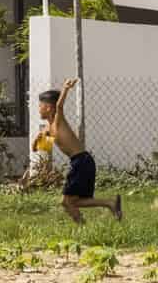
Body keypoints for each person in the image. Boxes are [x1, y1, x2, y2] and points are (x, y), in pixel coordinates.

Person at [23, 78, 121, 223]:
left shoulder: (58, 120)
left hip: (81, 161)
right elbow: (39, 150)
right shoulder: (48, 129)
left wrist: (65, 89)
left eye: (40, 106)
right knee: (72, 201)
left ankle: (85, 225)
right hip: (80, 162)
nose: (38, 109)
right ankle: (109, 204)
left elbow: (60, 105)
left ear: (49, 108)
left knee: (67, 201)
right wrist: (38, 139)